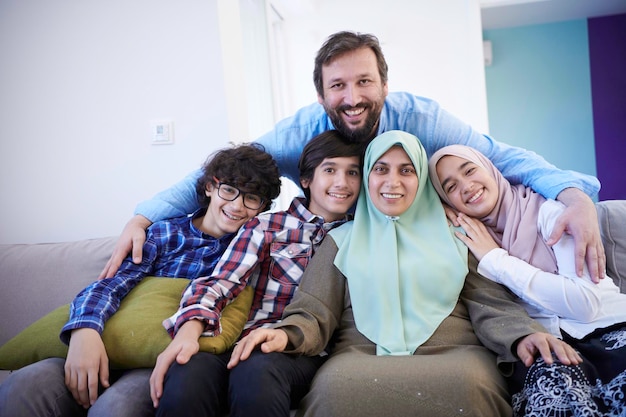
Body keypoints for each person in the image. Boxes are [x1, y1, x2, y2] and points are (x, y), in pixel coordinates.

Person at [100, 30, 605, 285]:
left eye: (364, 81)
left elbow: (499, 157)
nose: (352, 96)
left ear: (384, 84)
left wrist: (574, 194)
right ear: (321, 96)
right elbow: (227, 171)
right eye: (337, 86)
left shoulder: (422, 120)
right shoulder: (298, 133)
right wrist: (143, 216)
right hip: (338, 251)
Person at [228, 130, 581, 416]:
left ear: (422, 178)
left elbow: (491, 305)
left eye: (406, 170)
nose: (392, 181)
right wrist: (286, 335)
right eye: (380, 169)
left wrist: (523, 335)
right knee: (334, 390)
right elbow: (313, 310)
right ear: (367, 177)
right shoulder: (340, 240)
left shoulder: (459, 234)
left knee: (469, 389)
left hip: (456, 356)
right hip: (360, 357)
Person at [0, 143, 282, 417]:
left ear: (263, 207)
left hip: (155, 359)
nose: (237, 205)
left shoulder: (251, 252)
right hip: (107, 339)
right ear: (210, 186)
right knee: (23, 387)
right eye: (229, 190)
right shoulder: (164, 233)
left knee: (116, 407)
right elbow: (112, 283)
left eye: (251, 198)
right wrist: (85, 330)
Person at [148, 130, 362, 417]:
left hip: (297, 350)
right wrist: (189, 330)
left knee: (257, 371)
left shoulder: (360, 236)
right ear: (306, 180)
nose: (342, 182)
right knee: (188, 373)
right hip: (238, 338)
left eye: (353, 172)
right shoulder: (268, 226)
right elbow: (223, 281)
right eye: (330, 170)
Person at [428, 144, 626, 416]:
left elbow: (585, 304)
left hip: (610, 328)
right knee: (552, 396)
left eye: (470, 170)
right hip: (550, 347)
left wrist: (497, 260)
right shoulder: (471, 240)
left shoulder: (549, 212)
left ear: (492, 170)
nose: (466, 186)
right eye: (450, 187)